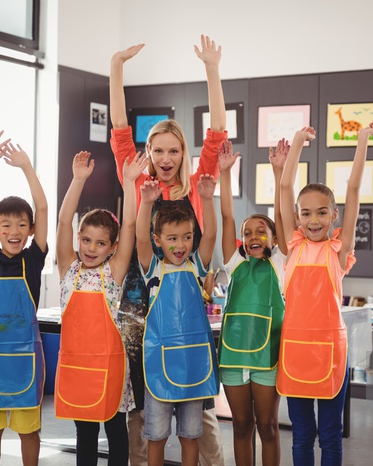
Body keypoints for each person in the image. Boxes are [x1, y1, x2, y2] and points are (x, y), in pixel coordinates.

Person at [109, 34, 227, 466]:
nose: (165, 156)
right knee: (144, 401)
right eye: (158, 149)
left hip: (188, 303)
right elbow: (120, 127)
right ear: (148, 152)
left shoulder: (197, 187)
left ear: (183, 154)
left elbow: (217, 132)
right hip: (140, 302)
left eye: (174, 150)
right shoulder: (140, 180)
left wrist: (212, 69)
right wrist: (117, 66)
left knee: (199, 399)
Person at [277, 122, 373, 466]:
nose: (314, 219)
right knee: (302, 434)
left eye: (322, 212)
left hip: (332, 354)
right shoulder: (292, 247)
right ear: (297, 217)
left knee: (331, 435)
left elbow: (353, 189)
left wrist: (362, 141)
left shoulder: (338, 250)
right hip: (295, 352)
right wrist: (297, 144)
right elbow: (286, 185)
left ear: (334, 216)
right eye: (306, 213)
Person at [55, 150, 148, 466]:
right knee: (85, 433)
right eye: (86, 240)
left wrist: (131, 183)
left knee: (115, 430)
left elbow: (132, 225)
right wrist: (77, 180)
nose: (90, 248)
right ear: (78, 239)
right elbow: (63, 219)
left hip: (110, 368)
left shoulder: (114, 271)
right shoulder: (68, 268)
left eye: (100, 243)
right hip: (78, 366)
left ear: (112, 248)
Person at [0, 130, 48, 466]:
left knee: (28, 432)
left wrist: (27, 168)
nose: (14, 232)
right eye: (6, 226)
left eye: (21, 225)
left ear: (31, 230)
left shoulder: (32, 260)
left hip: (25, 361)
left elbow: (43, 207)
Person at [136, 175, 220, 466]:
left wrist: (207, 200)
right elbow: (138, 238)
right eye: (172, 239)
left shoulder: (197, 265)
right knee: (157, 435)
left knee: (190, 435)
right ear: (158, 240)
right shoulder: (153, 269)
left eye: (186, 237)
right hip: (160, 366)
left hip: (193, 366)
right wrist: (146, 203)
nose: (181, 245)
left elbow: (210, 236)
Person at [217, 139, 288, 466]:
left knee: (269, 427)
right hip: (233, 355)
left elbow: (283, 217)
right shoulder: (234, 265)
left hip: (268, 357)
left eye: (262, 231)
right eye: (249, 233)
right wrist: (225, 174)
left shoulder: (279, 265)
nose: (254, 237)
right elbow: (227, 214)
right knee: (241, 425)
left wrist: (278, 173)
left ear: (274, 240)